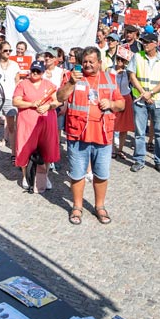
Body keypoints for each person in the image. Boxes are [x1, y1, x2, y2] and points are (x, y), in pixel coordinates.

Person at [57, 46, 124, 225]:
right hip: (78, 134)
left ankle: (100, 206)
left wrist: (111, 103)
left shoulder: (110, 79)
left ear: (99, 63)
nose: (87, 65)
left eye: (91, 62)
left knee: (101, 174)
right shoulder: (72, 77)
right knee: (77, 174)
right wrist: (71, 82)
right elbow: (60, 97)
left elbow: (122, 104)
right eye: (85, 61)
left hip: (103, 134)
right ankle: (77, 207)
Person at [13, 59, 61, 193]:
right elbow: (16, 101)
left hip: (46, 121)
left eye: (38, 71)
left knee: (47, 149)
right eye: (33, 70)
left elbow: (58, 101)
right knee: (25, 148)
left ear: (43, 72)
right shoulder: (23, 84)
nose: (35, 73)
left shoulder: (50, 85)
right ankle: (25, 176)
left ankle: (44, 177)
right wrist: (31, 104)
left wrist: (48, 106)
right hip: (27, 122)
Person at [128, 30, 160, 173]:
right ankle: (139, 160)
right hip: (141, 100)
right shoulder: (137, 57)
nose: (144, 44)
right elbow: (132, 75)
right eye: (143, 42)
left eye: (147, 42)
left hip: (158, 100)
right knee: (140, 132)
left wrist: (151, 93)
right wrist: (143, 93)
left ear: (155, 44)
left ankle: (159, 161)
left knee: (159, 133)